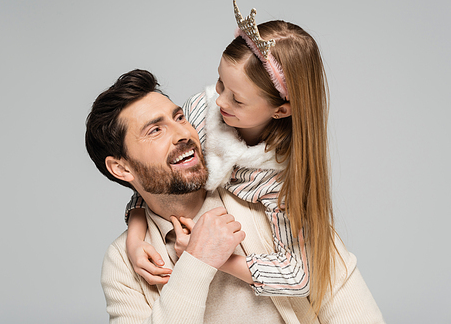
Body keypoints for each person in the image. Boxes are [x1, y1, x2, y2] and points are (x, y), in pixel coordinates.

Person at [85, 69, 384, 323]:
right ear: (121, 168)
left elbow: (346, 298)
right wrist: (198, 260)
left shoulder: (272, 204)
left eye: (179, 117)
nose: (182, 133)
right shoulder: (123, 262)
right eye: (155, 130)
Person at [124, 0, 341, 313]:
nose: (220, 102)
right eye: (219, 82)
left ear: (281, 109)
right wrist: (136, 234)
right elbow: (157, 174)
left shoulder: (280, 182)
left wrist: (218, 257)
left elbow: (297, 276)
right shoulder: (202, 110)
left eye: (237, 100)